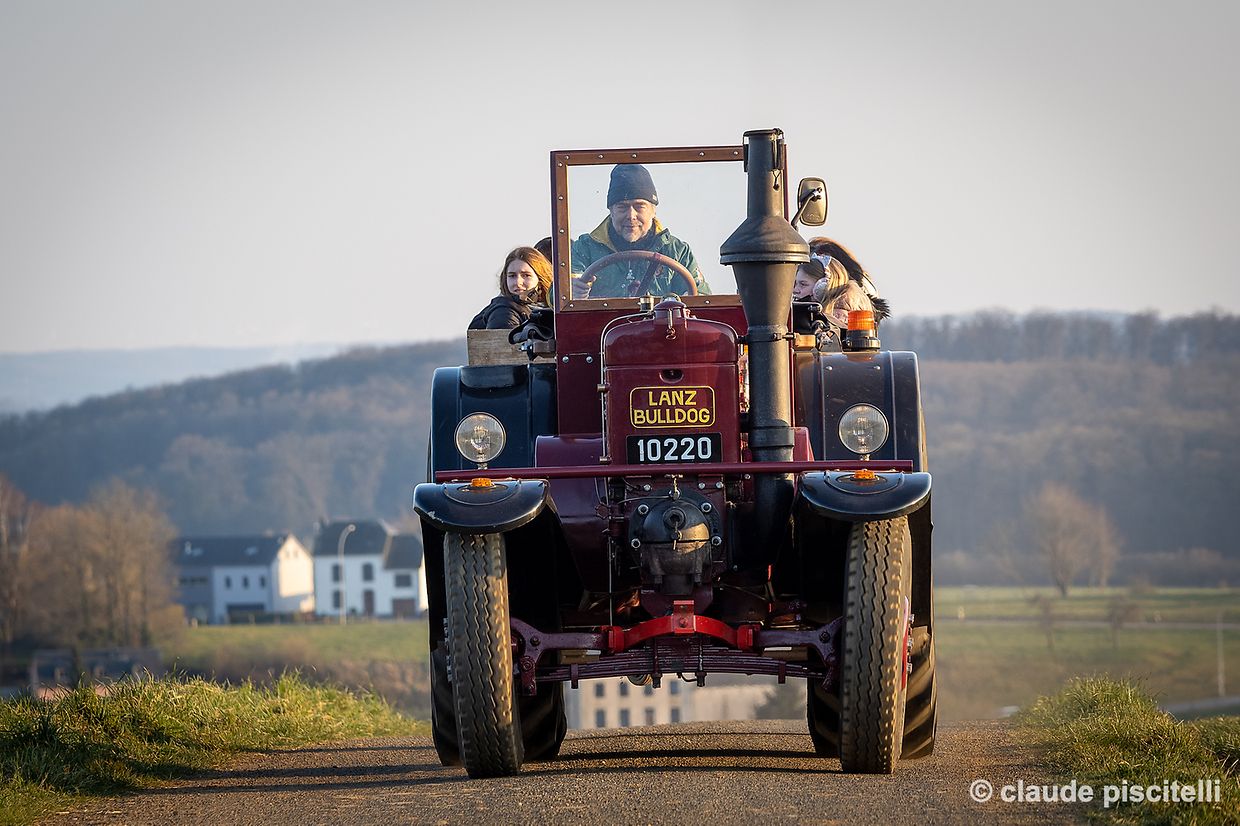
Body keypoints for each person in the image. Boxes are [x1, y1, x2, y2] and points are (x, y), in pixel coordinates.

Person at [569, 164, 710, 298]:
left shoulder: (677, 251)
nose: (631, 216)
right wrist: (572, 290)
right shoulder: (585, 248)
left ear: (653, 211)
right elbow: (564, 289)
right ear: (611, 211)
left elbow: (701, 297)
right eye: (622, 207)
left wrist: (690, 300)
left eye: (639, 206)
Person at [468, 247, 553, 330]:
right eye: (512, 276)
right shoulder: (503, 312)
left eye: (526, 275)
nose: (518, 282)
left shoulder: (546, 307)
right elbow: (504, 339)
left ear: (540, 278)